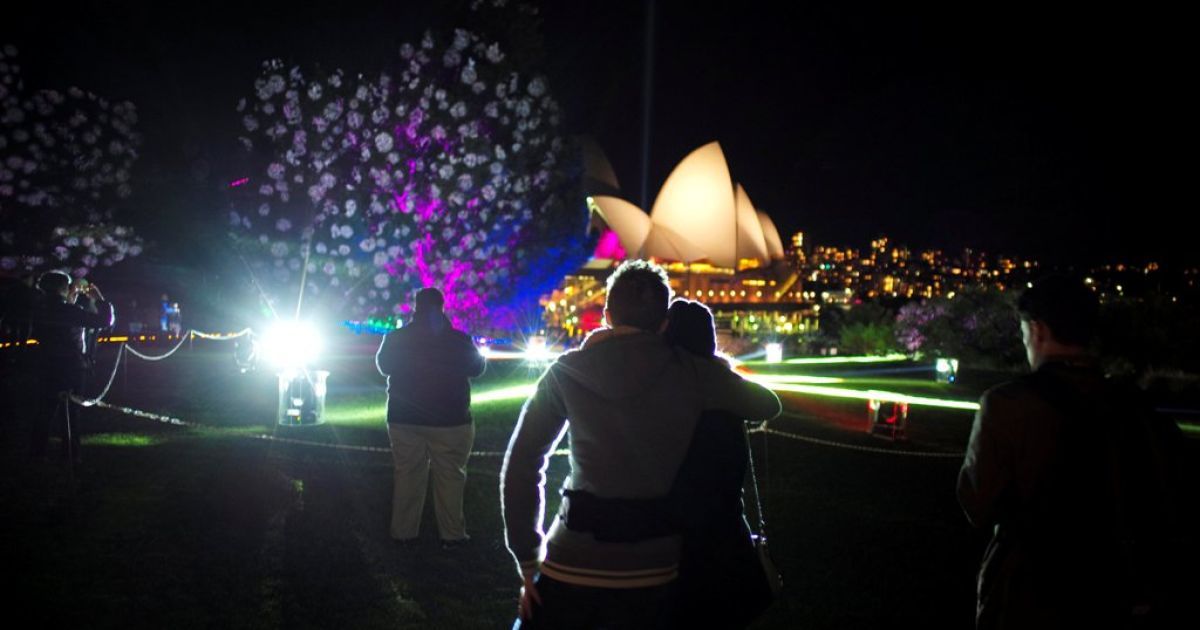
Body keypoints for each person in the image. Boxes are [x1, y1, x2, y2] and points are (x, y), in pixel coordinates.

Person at [502, 260, 781, 629]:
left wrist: (528, 557)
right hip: (654, 565)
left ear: (606, 315)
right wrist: (712, 366)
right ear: (664, 322)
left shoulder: (568, 370)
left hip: (571, 557)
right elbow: (767, 405)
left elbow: (522, 466)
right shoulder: (693, 371)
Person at [957, 275, 1188, 629]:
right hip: (1113, 595)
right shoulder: (1136, 408)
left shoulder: (1006, 404)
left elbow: (978, 503)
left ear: (1037, 331)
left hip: (1030, 595)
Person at [664, 299, 774, 628]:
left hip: (674, 532)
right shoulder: (723, 387)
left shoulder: (662, 383)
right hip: (724, 530)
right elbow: (769, 405)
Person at [375, 287, 486, 546]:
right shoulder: (459, 339)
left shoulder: (396, 338)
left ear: (416, 307)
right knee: (450, 477)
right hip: (451, 420)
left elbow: (384, 367)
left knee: (407, 474)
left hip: (404, 417)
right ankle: (452, 534)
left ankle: (403, 533)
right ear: (442, 307)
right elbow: (477, 368)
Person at [29, 271, 114, 461]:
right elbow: (103, 321)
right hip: (71, 367)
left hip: (47, 364)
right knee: (72, 411)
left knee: (44, 410)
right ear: (62, 288)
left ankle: (36, 453)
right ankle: (70, 454)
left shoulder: (40, 308)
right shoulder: (69, 311)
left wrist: (70, 303)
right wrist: (100, 300)